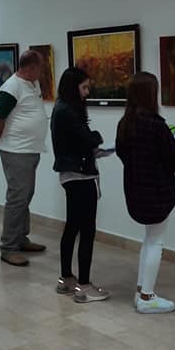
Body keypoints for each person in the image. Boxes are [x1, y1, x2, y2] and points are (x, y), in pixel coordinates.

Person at [116, 71, 175, 313]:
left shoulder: (125, 124)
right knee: (156, 241)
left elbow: (123, 154)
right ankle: (147, 297)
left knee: (149, 240)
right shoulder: (157, 126)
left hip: (135, 191)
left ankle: (141, 291)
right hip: (157, 194)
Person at [51, 67, 110, 302]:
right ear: (72, 87)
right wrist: (97, 137)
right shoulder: (69, 111)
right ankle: (84, 286)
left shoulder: (60, 108)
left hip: (71, 174)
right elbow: (87, 139)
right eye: (84, 87)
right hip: (80, 176)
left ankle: (66, 278)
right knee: (86, 229)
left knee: (72, 226)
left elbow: (77, 141)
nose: (87, 92)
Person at [0, 50, 48, 266]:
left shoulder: (33, 84)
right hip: (15, 150)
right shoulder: (11, 87)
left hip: (31, 149)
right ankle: (8, 247)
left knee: (26, 195)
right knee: (17, 198)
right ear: (31, 68)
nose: (42, 72)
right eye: (40, 68)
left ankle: (21, 238)